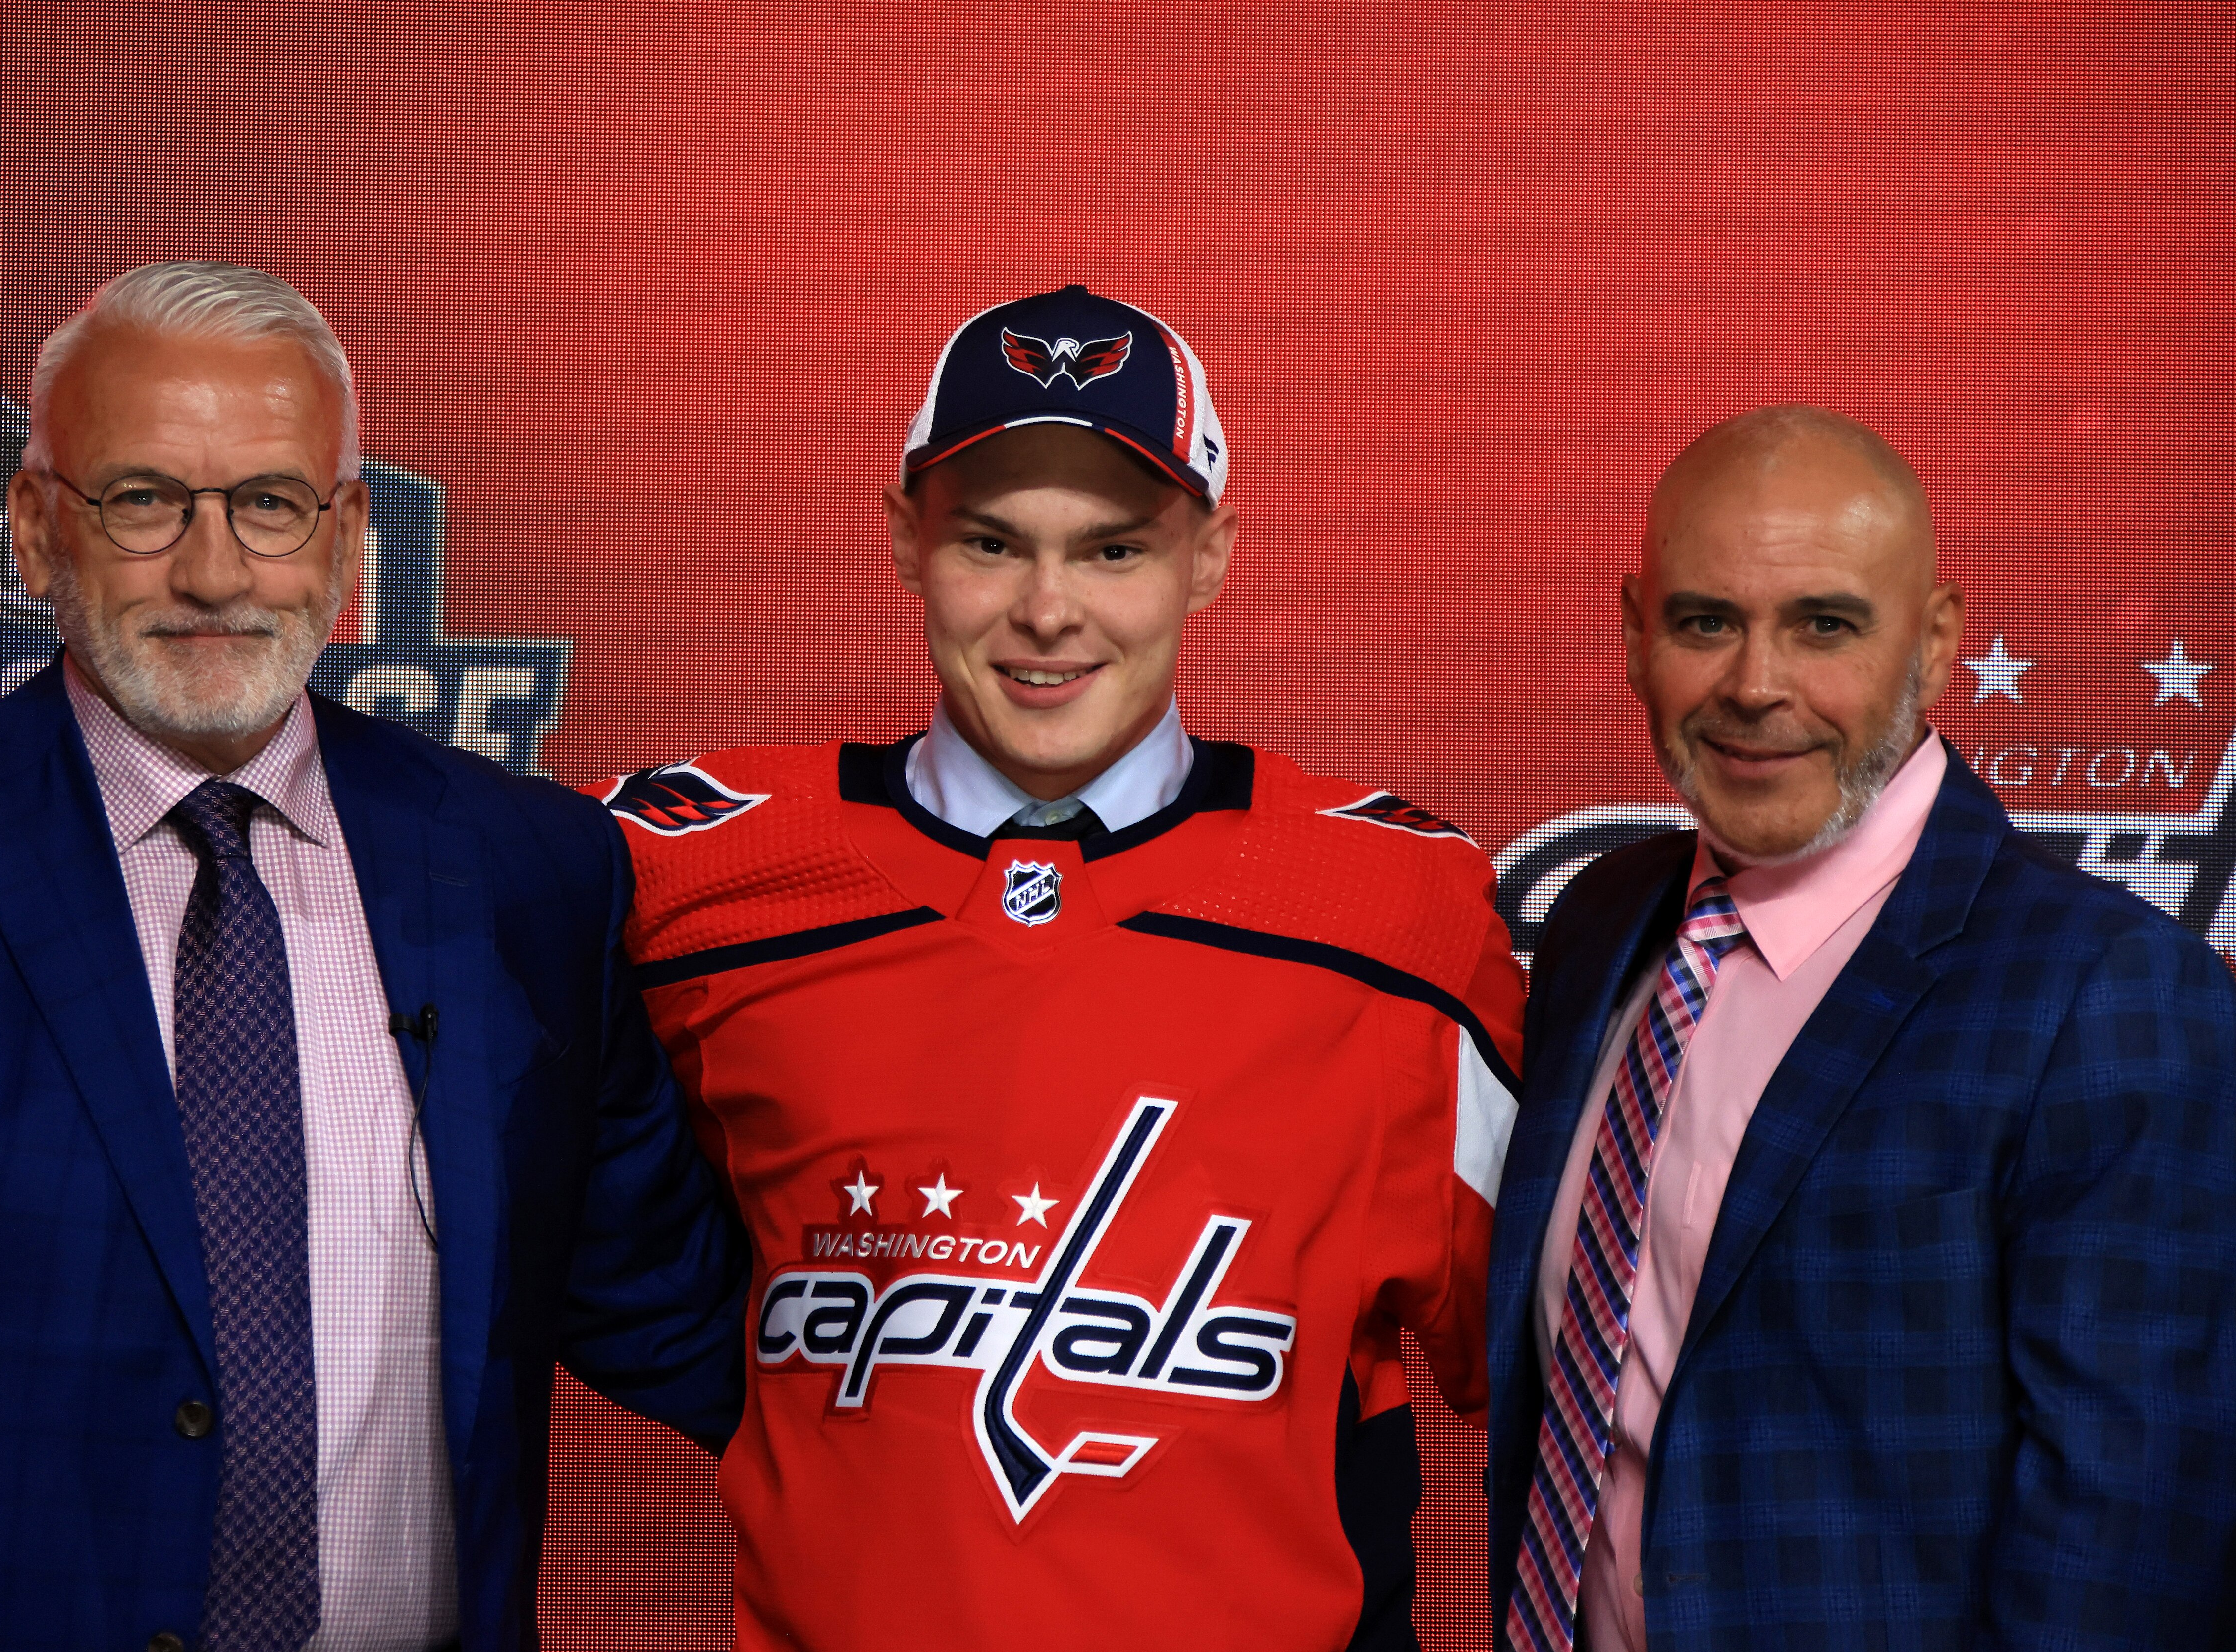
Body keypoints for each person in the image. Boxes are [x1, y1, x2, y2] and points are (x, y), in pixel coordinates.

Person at [0, 261, 747, 1652]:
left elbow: (681, 1312)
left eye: (270, 505)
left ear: (344, 542)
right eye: (145, 500)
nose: (214, 573)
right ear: (39, 531)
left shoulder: (530, 868)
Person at [598, 284, 1525, 1650]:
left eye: (1112, 551)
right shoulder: (688, 872)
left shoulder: (1401, 909)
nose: (1047, 611)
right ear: (906, 541)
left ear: (1209, 557)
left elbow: (1555, 1364)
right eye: (991, 543)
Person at [1485, 405, 2236, 1652]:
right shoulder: (1597, 932)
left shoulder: (2107, 996)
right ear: (1632, 635)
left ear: (1935, 643)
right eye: (1703, 622)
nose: (1755, 685)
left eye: (1823, 625)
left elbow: (2131, 1547)